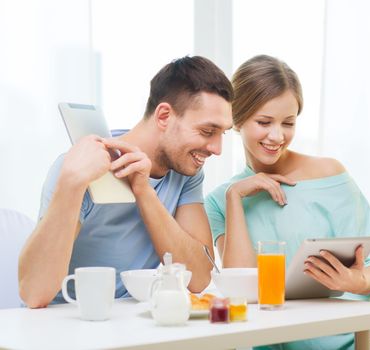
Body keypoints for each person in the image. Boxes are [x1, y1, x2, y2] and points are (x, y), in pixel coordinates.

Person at [205, 55, 370, 350]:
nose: (277, 136)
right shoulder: (221, 201)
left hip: (362, 339)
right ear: (237, 118)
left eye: (288, 123)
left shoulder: (330, 174)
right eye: (264, 122)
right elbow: (242, 289)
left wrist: (352, 280)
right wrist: (235, 197)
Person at [19, 56, 234, 308]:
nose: (217, 148)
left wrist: (143, 191)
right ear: (164, 115)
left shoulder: (186, 171)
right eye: (207, 132)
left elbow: (198, 277)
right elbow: (34, 293)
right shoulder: (81, 168)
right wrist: (72, 182)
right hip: (68, 322)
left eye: (222, 133)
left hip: (133, 326)